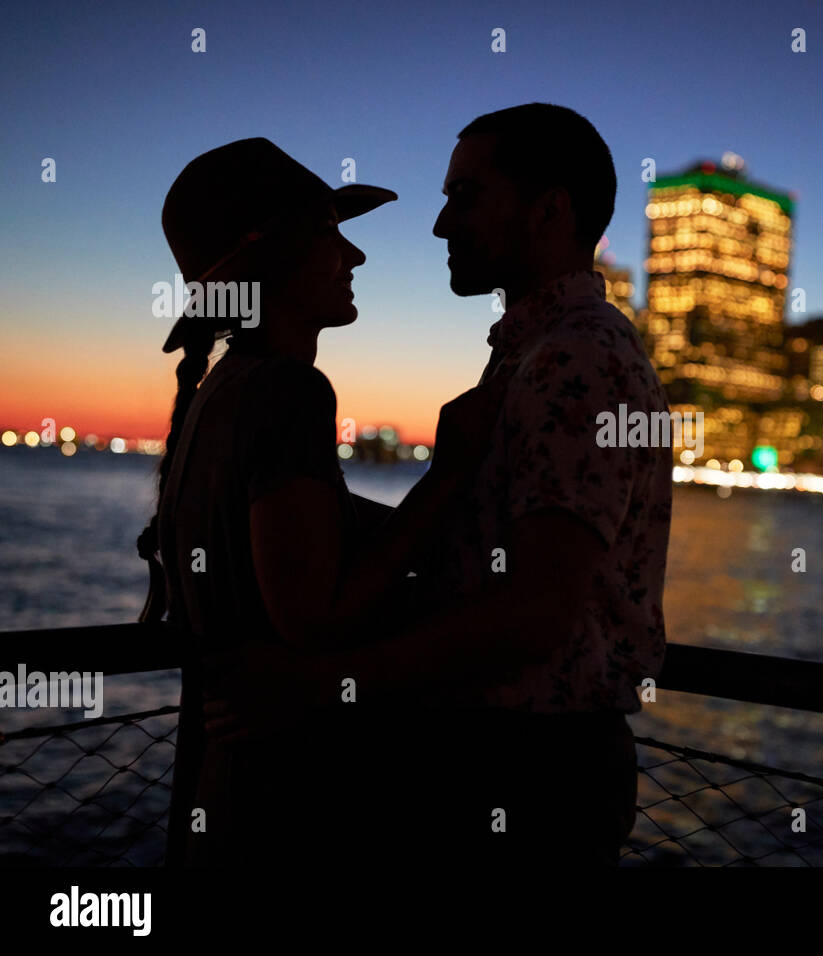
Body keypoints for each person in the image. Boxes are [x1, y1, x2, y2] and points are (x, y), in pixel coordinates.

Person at [207, 104, 675, 867]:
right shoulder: (534, 358)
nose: (439, 226)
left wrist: (320, 685)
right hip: (507, 765)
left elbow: (534, 615)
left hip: (530, 777)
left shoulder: (576, 362)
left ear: (549, 209)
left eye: (466, 196)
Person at [142, 137, 502, 866]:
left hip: (227, 788)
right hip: (290, 800)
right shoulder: (289, 391)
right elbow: (311, 616)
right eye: (330, 234)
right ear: (275, 258)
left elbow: (300, 544)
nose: (355, 257)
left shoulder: (219, 396)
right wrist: (451, 472)